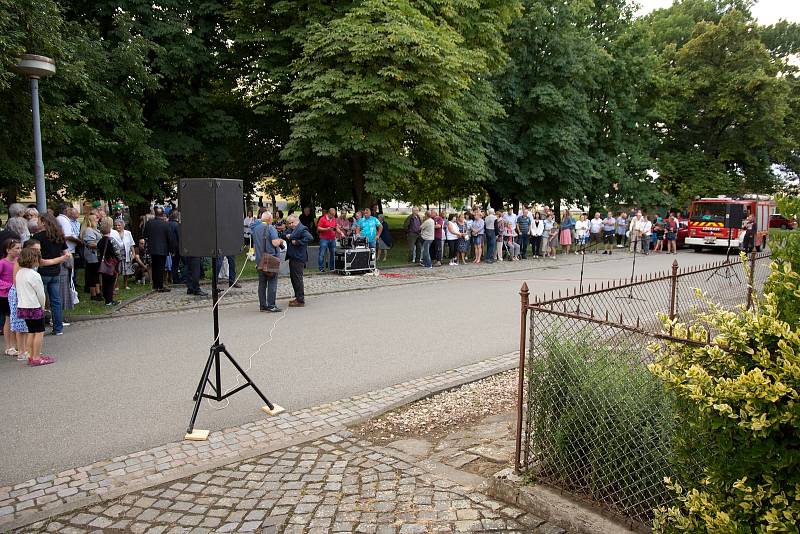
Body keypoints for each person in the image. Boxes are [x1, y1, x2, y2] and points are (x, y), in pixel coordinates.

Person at [15, 247, 54, 366]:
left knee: (31, 331)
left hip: (23, 306)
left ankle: (31, 355)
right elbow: (41, 294)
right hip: (34, 306)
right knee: (39, 332)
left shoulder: (19, 273)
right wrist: (42, 306)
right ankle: (36, 356)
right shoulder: (34, 275)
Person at [32, 214, 70, 335]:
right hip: (56, 271)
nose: (37, 223)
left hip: (42, 271)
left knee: (39, 301)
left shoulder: (37, 237)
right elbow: (66, 253)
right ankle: (58, 328)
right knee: (56, 300)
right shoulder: (59, 236)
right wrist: (60, 259)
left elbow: (36, 258)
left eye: (38, 220)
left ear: (43, 222)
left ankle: (39, 328)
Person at [253, 211, 283, 312]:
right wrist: (280, 241)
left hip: (259, 259)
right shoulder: (271, 228)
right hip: (270, 258)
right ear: (270, 219)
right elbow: (275, 243)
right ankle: (271, 305)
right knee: (272, 282)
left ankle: (262, 305)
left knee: (262, 283)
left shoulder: (255, 229)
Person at [283, 214, 313, 307]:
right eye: (289, 223)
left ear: (297, 221)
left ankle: (300, 300)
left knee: (297, 279)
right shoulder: (292, 229)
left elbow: (310, 238)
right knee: (294, 278)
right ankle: (297, 297)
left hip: (299, 257)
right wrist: (288, 236)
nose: (291, 224)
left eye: (292, 222)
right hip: (293, 257)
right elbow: (284, 234)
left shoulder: (302, 229)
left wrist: (298, 242)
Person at [143, 207, 175, 292]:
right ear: (163, 214)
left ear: (155, 214)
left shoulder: (149, 223)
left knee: (154, 266)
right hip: (162, 249)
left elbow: (145, 234)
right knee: (161, 267)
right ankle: (160, 286)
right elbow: (170, 238)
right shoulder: (166, 224)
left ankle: (155, 284)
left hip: (152, 248)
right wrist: (172, 250)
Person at [0, 238, 21, 356]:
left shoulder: (19, 261)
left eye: (20, 248)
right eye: (16, 248)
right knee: (8, 319)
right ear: (8, 250)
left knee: (17, 319)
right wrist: (8, 286)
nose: (19, 251)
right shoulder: (3, 263)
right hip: (5, 294)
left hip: (18, 293)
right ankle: (9, 346)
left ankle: (18, 344)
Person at [96, 221, 121, 306]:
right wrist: (119, 259)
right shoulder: (111, 240)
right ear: (110, 231)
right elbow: (117, 252)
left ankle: (106, 299)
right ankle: (109, 301)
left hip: (103, 264)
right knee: (111, 282)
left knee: (104, 281)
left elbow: (98, 254)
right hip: (111, 264)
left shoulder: (99, 242)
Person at [81, 214, 102, 300]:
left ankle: (98, 292)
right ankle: (94, 294)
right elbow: (90, 244)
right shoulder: (89, 230)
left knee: (95, 275)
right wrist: (102, 244)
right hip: (92, 256)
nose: (97, 220)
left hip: (95, 255)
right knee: (92, 275)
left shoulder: (94, 230)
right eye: (95, 219)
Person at [112, 219, 136, 289]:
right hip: (117, 254)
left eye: (119, 225)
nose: (117, 227)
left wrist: (133, 253)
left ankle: (126, 284)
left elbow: (131, 244)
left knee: (127, 270)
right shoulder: (113, 233)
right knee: (117, 270)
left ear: (123, 225)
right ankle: (116, 285)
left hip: (127, 253)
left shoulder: (128, 233)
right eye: (115, 225)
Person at [317, 208, 337, 272]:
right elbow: (318, 228)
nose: (333, 216)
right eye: (332, 215)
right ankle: (321, 268)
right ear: (328, 213)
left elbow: (335, 227)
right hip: (324, 239)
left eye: (334, 215)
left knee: (333, 253)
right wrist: (326, 229)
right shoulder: (322, 219)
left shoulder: (334, 219)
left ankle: (332, 268)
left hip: (332, 238)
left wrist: (341, 233)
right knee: (321, 254)